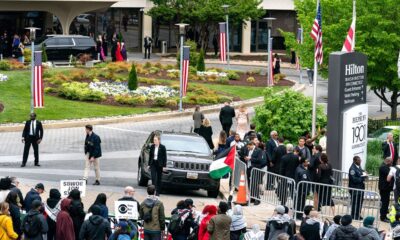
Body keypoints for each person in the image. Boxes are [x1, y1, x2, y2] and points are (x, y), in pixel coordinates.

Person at [349, 156, 368, 220]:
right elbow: (354, 179)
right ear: (354, 161)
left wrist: (365, 173)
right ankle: (354, 215)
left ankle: (358, 214)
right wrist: (362, 178)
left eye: (360, 160)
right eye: (358, 161)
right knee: (355, 202)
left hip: (360, 188)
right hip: (355, 188)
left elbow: (360, 171)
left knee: (360, 202)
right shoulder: (352, 169)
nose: (360, 161)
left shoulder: (358, 166)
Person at [379, 157, 393, 222]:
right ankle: (382, 217)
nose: (391, 164)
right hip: (384, 188)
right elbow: (390, 174)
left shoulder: (385, 166)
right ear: (388, 161)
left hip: (386, 188)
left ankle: (384, 216)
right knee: (384, 203)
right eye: (391, 162)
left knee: (386, 202)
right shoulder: (383, 167)